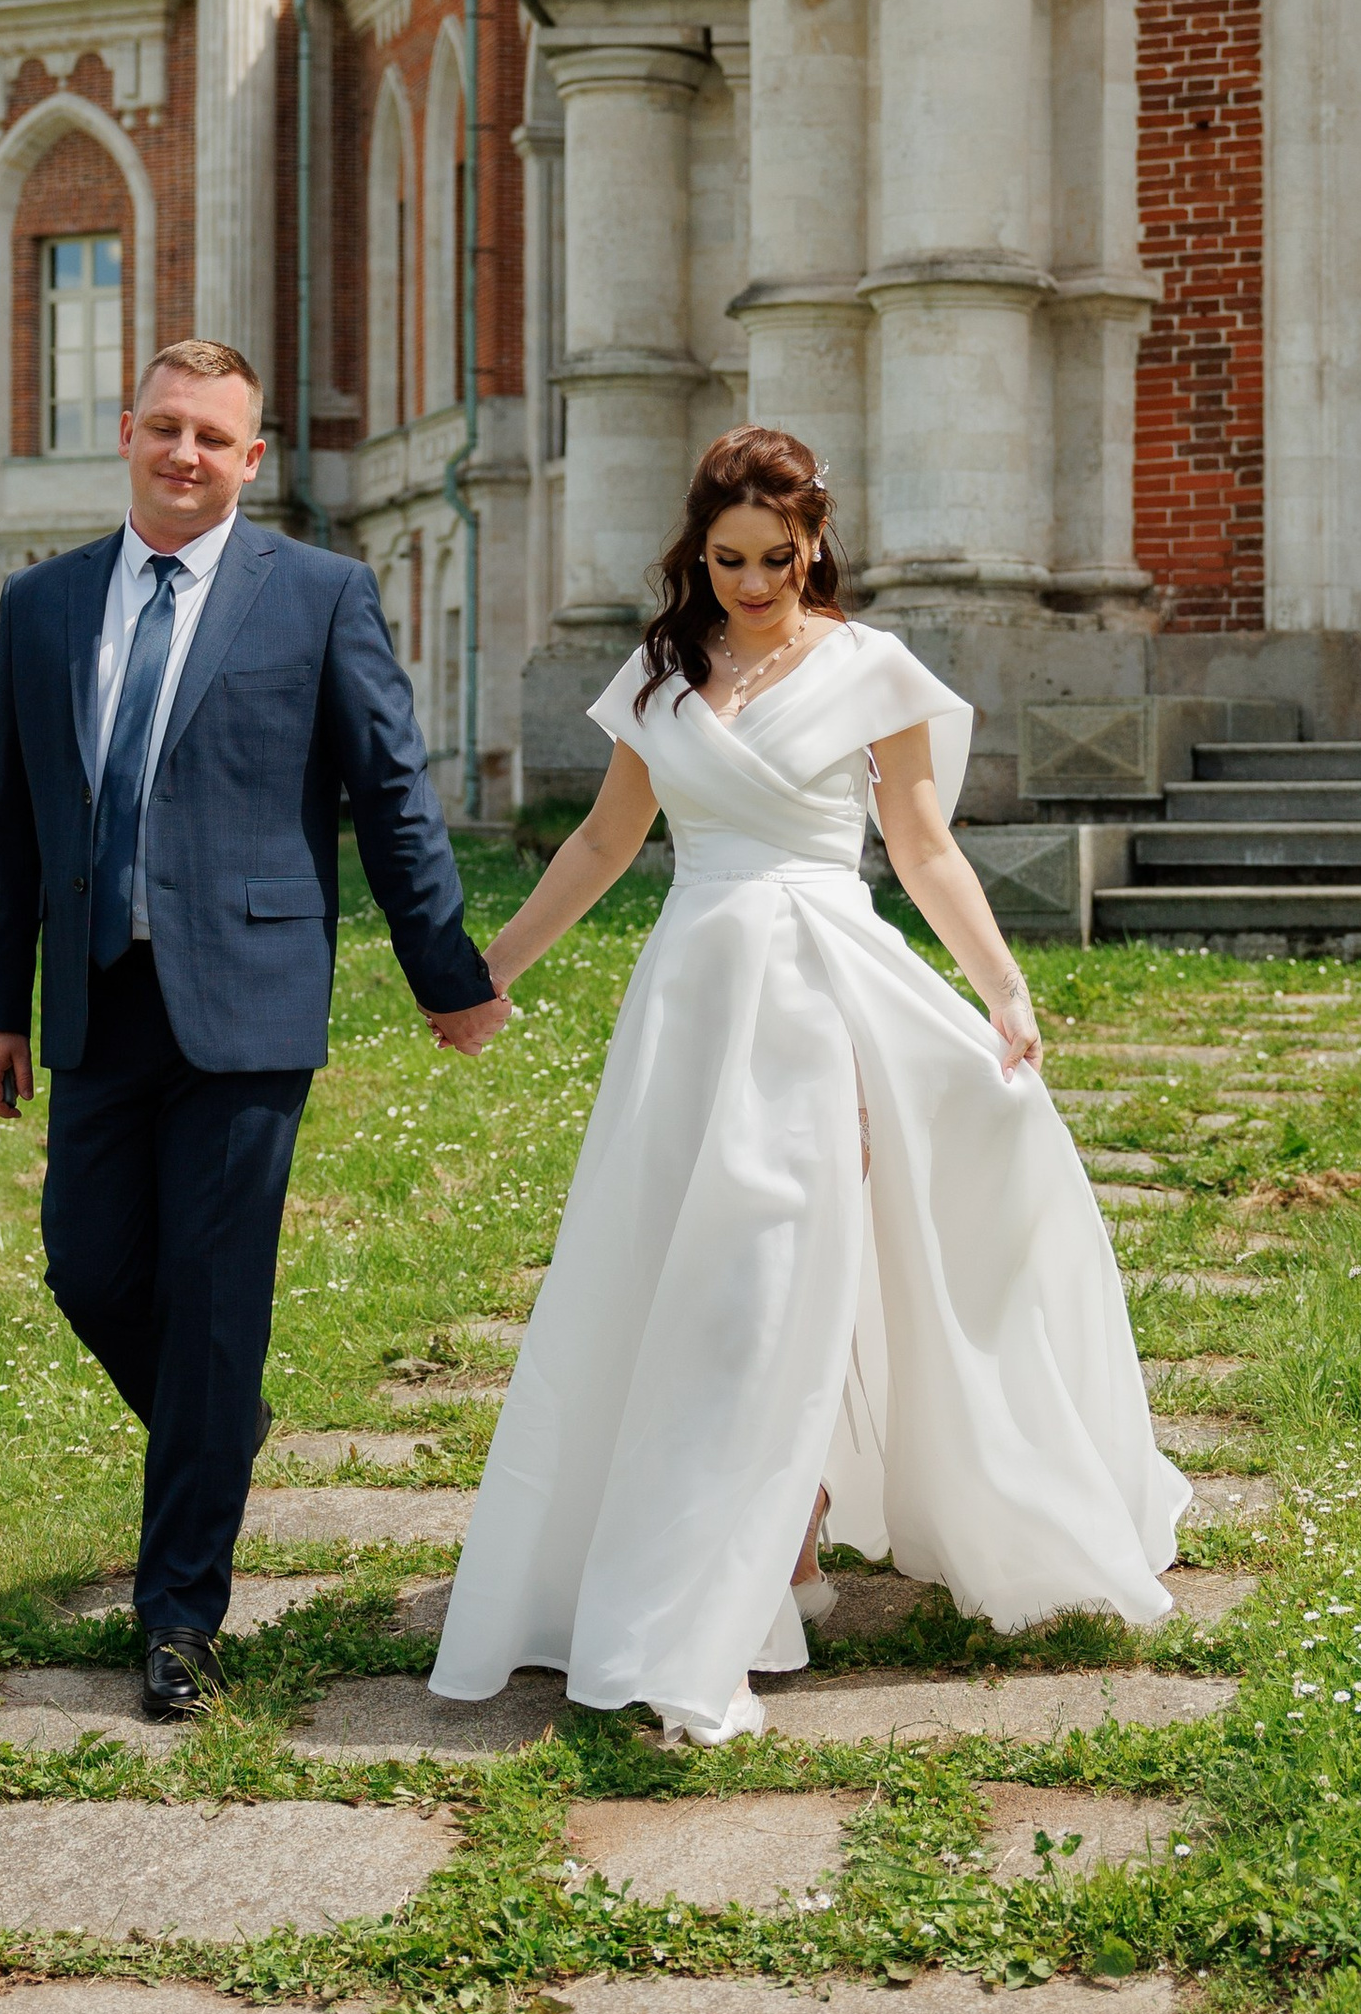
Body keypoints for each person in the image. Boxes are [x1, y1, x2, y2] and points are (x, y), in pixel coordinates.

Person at [430, 423, 1187, 1748]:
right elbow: (610, 840)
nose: (753, 584)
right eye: (727, 561)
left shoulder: (872, 670)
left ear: (815, 542)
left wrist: (1001, 986)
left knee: (775, 1266)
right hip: (694, 1003)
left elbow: (925, 848)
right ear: (696, 551)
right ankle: (779, 1536)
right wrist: (492, 970)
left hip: (822, 995)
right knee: (691, 1274)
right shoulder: (659, 675)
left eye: (776, 559)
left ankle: (770, 1540)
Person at [0, 336, 509, 1721]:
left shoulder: (316, 595)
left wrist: (444, 971)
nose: (184, 454)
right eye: (162, 428)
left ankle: (179, 1620)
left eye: (213, 437)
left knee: (215, 1300)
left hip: (251, 1000)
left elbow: (390, 789)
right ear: (128, 434)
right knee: (88, 1270)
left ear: (251, 458)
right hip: (96, 993)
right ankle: (221, 1432)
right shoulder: (41, 607)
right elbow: (13, 821)